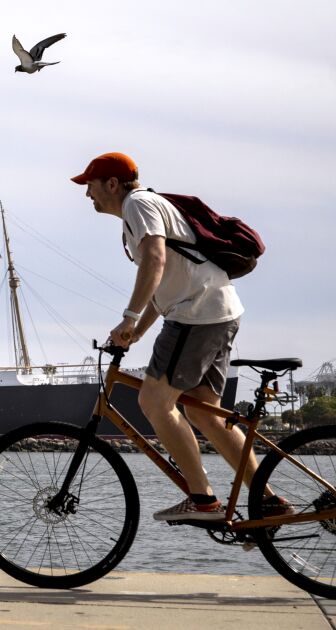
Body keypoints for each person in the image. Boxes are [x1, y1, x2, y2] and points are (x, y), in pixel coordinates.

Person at [72, 153, 287, 521]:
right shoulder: (145, 207)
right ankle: (267, 503)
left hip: (196, 314)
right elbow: (166, 279)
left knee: (155, 401)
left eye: (89, 185)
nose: (86, 194)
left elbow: (155, 261)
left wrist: (128, 317)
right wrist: (137, 331)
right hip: (215, 310)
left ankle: (204, 501)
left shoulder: (138, 204)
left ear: (112, 184)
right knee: (204, 413)